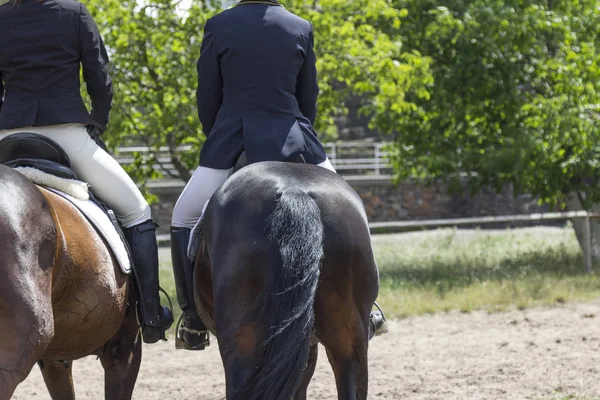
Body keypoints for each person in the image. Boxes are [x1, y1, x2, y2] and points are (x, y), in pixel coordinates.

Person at [170, 0, 387, 350]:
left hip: (232, 138)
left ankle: (192, 319)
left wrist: (221, 135)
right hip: (295, 135)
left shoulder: (219, 24)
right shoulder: (299, 25)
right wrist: (298, 131)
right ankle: (367, 306)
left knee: (183, 217)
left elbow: (207, 97)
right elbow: (308, 97)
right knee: (352, 210)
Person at [0, 0, 173, 343]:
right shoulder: (74, 12)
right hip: (67, 130)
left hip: (7, 133)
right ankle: (151, 314)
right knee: (137, 211)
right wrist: (98, 123)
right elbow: (99, 77)